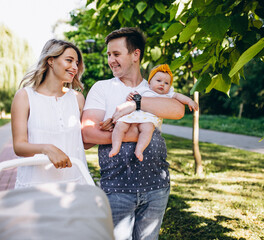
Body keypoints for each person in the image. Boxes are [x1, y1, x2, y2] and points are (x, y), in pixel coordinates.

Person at [81, 27, 185, 240]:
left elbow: (178, 110)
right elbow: (88, 134)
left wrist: (136, 104)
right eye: (109, 55)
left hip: (157, 187)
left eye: (116, 54)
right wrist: (136, 134)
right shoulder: (102, 88)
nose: (111, 60)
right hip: (117, 188)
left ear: (135, 55)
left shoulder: (155, 87)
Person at [11, 39, 89, 189]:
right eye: (69, 60)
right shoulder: (25, 96)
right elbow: (19, 146)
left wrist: (108, 125)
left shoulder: (77, 98)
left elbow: (84, 141)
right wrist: (47, 148)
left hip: (75, 184)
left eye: (77, 63)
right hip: (35, 185)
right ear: (51, 61)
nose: (75, 67)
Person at [107, 64, 198, 161]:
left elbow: (179, 96)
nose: (162, 84)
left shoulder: (168, 94)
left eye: (166, 83)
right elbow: (133, 97)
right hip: (134, 114)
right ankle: (116, 147)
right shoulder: (144, 89)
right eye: (158, 81)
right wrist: (130, 96)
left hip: (149, 119)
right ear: (149, 82)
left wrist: (189, 101)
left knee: (147, 130)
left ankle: (139, 150)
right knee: (120, 125)